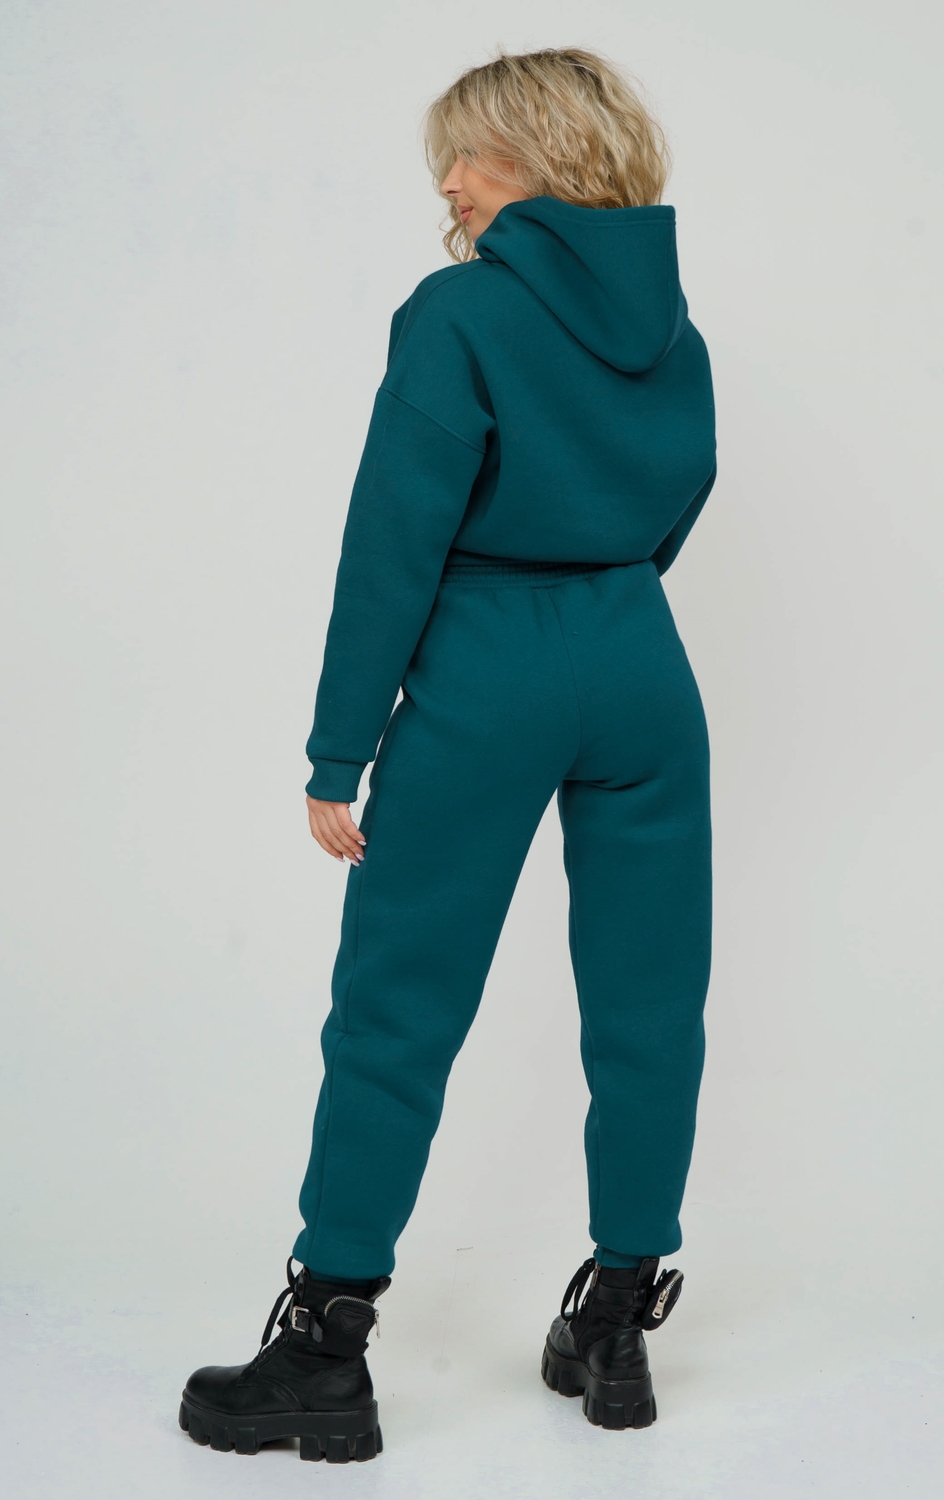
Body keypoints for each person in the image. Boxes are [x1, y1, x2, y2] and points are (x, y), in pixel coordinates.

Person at [179, 46, 716, 1463]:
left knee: (398, 1006)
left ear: (539, 155)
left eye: (468, 156)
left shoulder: (460, 311)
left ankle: (325, 1348)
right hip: (642, 660)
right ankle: (616, 1323)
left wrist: (336, 750)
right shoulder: (676, 330)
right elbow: (680, 495)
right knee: (651, 1002)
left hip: (490, 664)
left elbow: (394, 541)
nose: (451, 185)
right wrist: (601, 591)